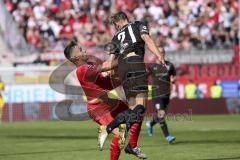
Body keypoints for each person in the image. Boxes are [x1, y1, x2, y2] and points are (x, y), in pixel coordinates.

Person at [97, 11, 165, 159]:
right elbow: (146, 39)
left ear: (117, 23)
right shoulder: (138, 25)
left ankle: (131, 145)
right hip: (135, 64)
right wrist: (158, 54)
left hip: (122, 70)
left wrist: (96, 70)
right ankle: (110, 129)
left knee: (134, 110)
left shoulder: (115, 37)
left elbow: (110, 63)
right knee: (140, 109)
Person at [63, 41, 144, 160]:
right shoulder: (82, 70)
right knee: (120, 134)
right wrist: (125, 56)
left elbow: (109, 82)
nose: (84, 50)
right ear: (75, 57)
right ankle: (109, 130)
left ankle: (131, 146)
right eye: (81, 50)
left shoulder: (90, 65)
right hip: (98, 109)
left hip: (109, 103)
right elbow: (107, 66)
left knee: (137, 114)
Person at [146, 48, 176, 143]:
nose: (161, 54)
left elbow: (173, 75)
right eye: (159, 52)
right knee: (161, 114)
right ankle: (167, 136)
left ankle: (150, 124)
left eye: (162, 52)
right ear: (156, 53)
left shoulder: (169, 65)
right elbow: (144, 76)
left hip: (166, 94)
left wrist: (173, 79)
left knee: (160, 115)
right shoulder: (152, 66)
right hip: (156, 93)